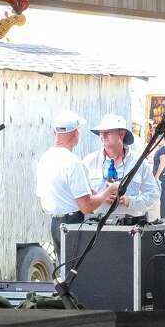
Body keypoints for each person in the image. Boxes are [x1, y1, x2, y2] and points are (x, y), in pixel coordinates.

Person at [36, 110, 116, 258]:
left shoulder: (45, 158)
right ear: (76, 134)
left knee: (64, 271)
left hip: (55, 223)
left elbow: (42, 199)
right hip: (73, 224)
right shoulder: (73, 162)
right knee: (78, 274)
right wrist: (108, 191)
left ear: (55, 133)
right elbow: (86, 207)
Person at [82, 113, 160, 221]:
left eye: (108, 132)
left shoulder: (139, 162)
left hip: (130, 228)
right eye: (101, 132)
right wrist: (101, 197)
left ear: (121, 134)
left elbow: (153, 194)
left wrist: (129, 201)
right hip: (97, 226)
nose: (103, 136)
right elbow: (81, 194)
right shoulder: (88, 161)